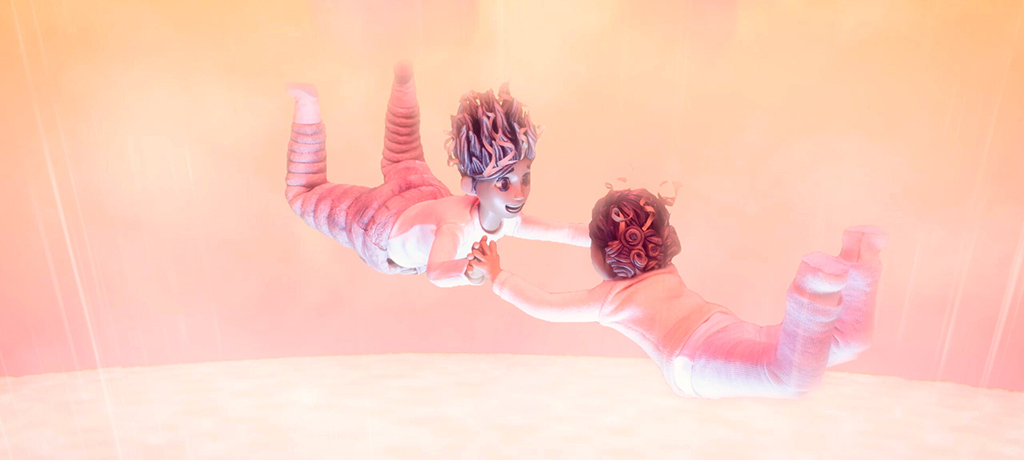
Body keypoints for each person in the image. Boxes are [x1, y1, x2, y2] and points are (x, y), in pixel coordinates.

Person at [468, 187, 887, 398]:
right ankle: (860, 254)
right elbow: (580, 235)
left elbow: (546, 305)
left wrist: (497, 276)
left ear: (606, 252)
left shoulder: (611, 299)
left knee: (793, 379)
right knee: (849, 341)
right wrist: (515, 225)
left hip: (694, 361)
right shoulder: (658, 260)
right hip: (726, 328)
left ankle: (816, 286)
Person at [284, 61, 590, 287]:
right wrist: (469, 272)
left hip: (423, 191)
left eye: (525, 178)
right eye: (503, 183)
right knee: (303, 194)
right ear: (470, 186)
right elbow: (436, 270)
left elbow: (563, 232)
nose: (519, 193)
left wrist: (603, 236)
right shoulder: (455, 227)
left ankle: (404, 76)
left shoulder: (506, 221)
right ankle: (307, 102)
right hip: (378, 223)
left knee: (404, 141)